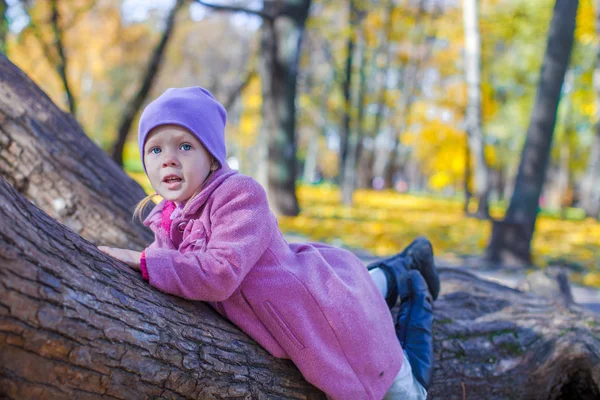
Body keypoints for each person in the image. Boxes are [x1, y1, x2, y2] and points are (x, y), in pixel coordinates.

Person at [99, 87, 440, 400]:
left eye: (185, 146)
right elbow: (175, 269)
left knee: (405, 392)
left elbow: (219, 274)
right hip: (306, 294)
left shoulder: (240, 194)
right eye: (155, 149)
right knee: (363, 287)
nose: (168, 159)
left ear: (212, 157)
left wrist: (145, 261)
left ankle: (414, 290)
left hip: (322, 314)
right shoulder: (167, 216)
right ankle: (404, 264)